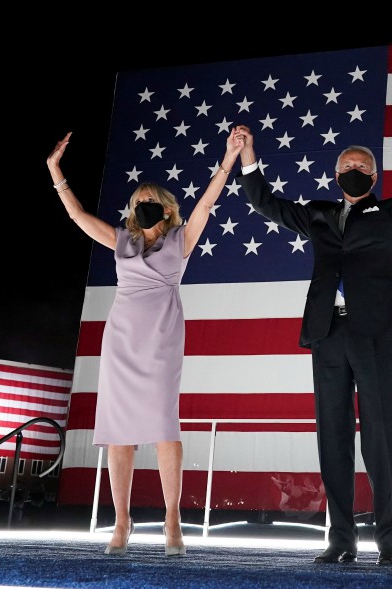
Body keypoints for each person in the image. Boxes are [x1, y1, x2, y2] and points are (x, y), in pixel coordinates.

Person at [232, 102, 392, 566]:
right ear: (335, 175)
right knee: (333, 437)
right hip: (328, 334)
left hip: (374, 334)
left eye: (362, 167)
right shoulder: (320, 215)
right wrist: (248, 157)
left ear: (374, 177)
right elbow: (265, 202)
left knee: (379, 437)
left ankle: (390, 539)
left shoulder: (390, 214)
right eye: (346, 166)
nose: (353, 171)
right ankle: (341, 538)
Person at [46, 128, 245, 556]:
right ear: (133, 211)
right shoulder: (122, 241)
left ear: (168, 209)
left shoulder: (180, 240)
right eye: (138, 203)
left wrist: (228, 158)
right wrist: (55, 171)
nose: (145, 206)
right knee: (119, 433)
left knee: (163, 429)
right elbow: (79, 218)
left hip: (161, 341)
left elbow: (207, 203)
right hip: (121, 342)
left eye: (152, 201)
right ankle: (122, 521)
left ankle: (172, 519)